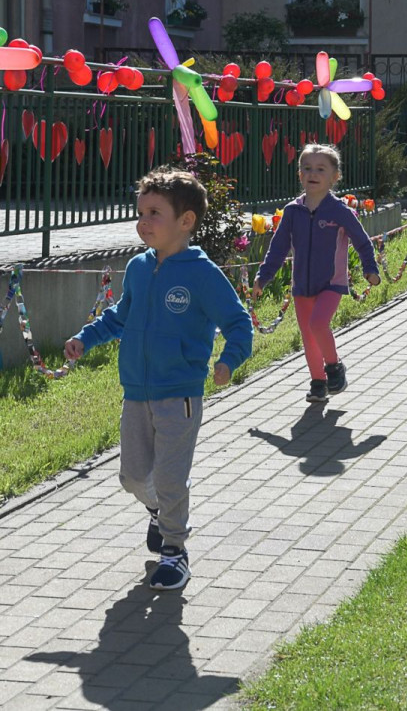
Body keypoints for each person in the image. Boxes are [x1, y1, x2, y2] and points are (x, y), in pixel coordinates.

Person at [64, 167, 252, 591]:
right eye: (140, 212)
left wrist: (229, 360)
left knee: (169, 478)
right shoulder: (137, 267)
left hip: (179, 395)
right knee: (131, 476)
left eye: (154, 213)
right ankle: (160, 512)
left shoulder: (202, 274)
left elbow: (239, 322)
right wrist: (86, 338)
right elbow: (121, 316)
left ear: (186, 221)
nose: (143, 222)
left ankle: (175, 552)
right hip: (136, 392)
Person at [251, 144, 381, 403]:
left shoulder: (340, 211)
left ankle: (334, 368)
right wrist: (263, 277)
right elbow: (277, 248)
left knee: (318, 324)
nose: (313, 173)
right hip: (302, 285)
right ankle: (318, 383)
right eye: (307, 168)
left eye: (321, 169)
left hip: (331, 283)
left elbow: (361, 240)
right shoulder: (292, 211)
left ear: (335, 177)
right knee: (309, 337)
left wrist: (370, 269)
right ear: (300, 175)